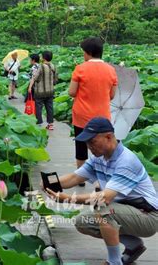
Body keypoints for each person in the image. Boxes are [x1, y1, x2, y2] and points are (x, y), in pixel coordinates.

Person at [43, 117, 157, 265]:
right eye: (87, 142)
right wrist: (50, 183)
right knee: (82, 221)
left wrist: (68, 199)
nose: (89, 146)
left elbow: (105, 197)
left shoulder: (126, 161)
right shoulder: (99, 158)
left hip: (148, 216)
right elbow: (75, 177)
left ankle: (114, 262)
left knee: (104, 210)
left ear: (108, 137)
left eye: (92, 141)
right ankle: (133, 244)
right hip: (125, 211)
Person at [69, 37, 118, 186]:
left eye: (84, 52)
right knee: (103, 147)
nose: (83, 55)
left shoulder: (80, 68)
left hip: (82, 115)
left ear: (88, 53)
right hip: (103, 117)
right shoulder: (111, 70)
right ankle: (103, 178)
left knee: (81, 146)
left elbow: (72, 92)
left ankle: (81, 179)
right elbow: (112, 95)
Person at [28, 51, 57, 130]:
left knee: (39, 107)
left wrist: (31, 86)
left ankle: (39, 123)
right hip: (50, 91)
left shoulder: (42, 66)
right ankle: (50, 124)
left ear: (44, 58)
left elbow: (36, 77)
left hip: (40, 91)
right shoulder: (53, 66)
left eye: (41, 56)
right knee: (50, 107)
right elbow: (55, 80)